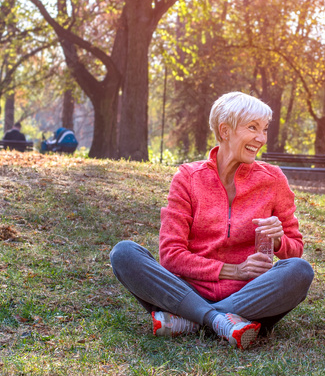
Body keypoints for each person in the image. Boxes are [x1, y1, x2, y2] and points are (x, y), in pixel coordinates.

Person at [109, 92, 313, 349]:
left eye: (264, 130)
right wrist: (235, 270)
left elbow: (295, 249)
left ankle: (191, 321)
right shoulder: (188, 178)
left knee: (300, 271)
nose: (261, 139)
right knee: (124, 253)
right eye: (252, 128)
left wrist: (278, 241)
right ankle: (220, 320)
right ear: (225, 131)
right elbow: (171, 255)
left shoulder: (272, 179)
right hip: (186, 291)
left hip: (248, 295)